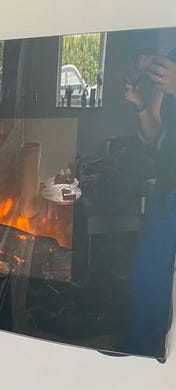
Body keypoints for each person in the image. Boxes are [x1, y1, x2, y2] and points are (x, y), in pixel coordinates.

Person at [119, 49, 176, 358]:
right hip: (166, 192)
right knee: (148, 281)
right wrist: (142, 105)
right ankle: (139, 354)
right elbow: (158, 136)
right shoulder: (172, 57)